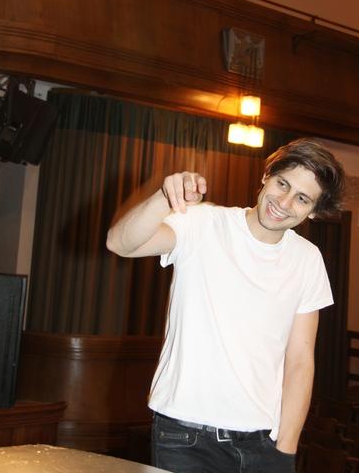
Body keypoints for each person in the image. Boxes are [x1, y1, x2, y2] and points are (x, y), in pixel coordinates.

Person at [106, 137, 345, 473]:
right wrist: (164, 197)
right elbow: (120, 243)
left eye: (302, 198)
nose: (284, 202)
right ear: (266, 176)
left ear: (314, 211)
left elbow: (301, 361)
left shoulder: (307, 259)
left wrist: (285, 448)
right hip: (186, 437)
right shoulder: (203, 223)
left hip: (263, 442)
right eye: (282, 184)